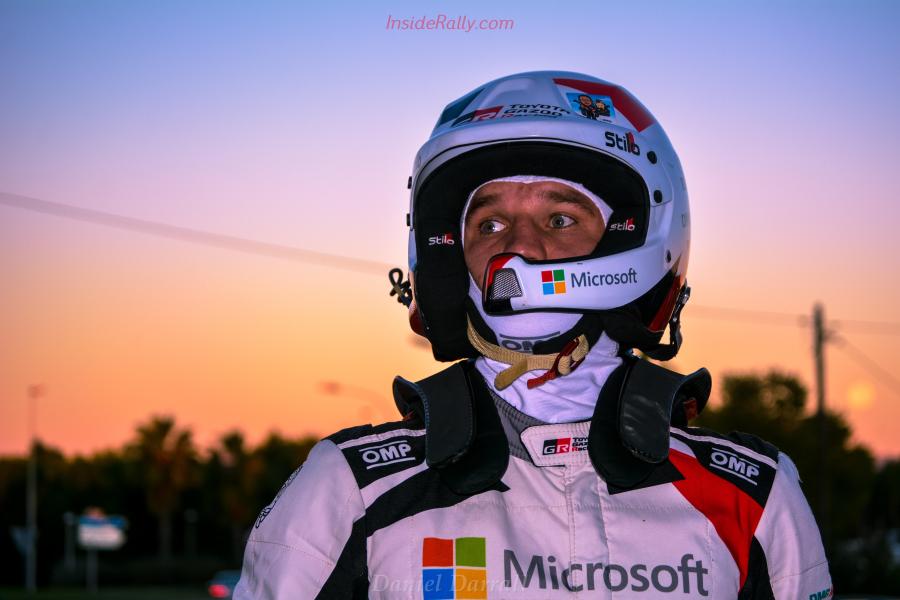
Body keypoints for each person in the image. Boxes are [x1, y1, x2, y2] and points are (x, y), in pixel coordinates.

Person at [234, 71, 832, 599]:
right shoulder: (347, 491)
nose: (518, 248)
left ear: (633, 240)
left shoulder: (755, 499)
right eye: (489, 223)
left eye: (560, 219)